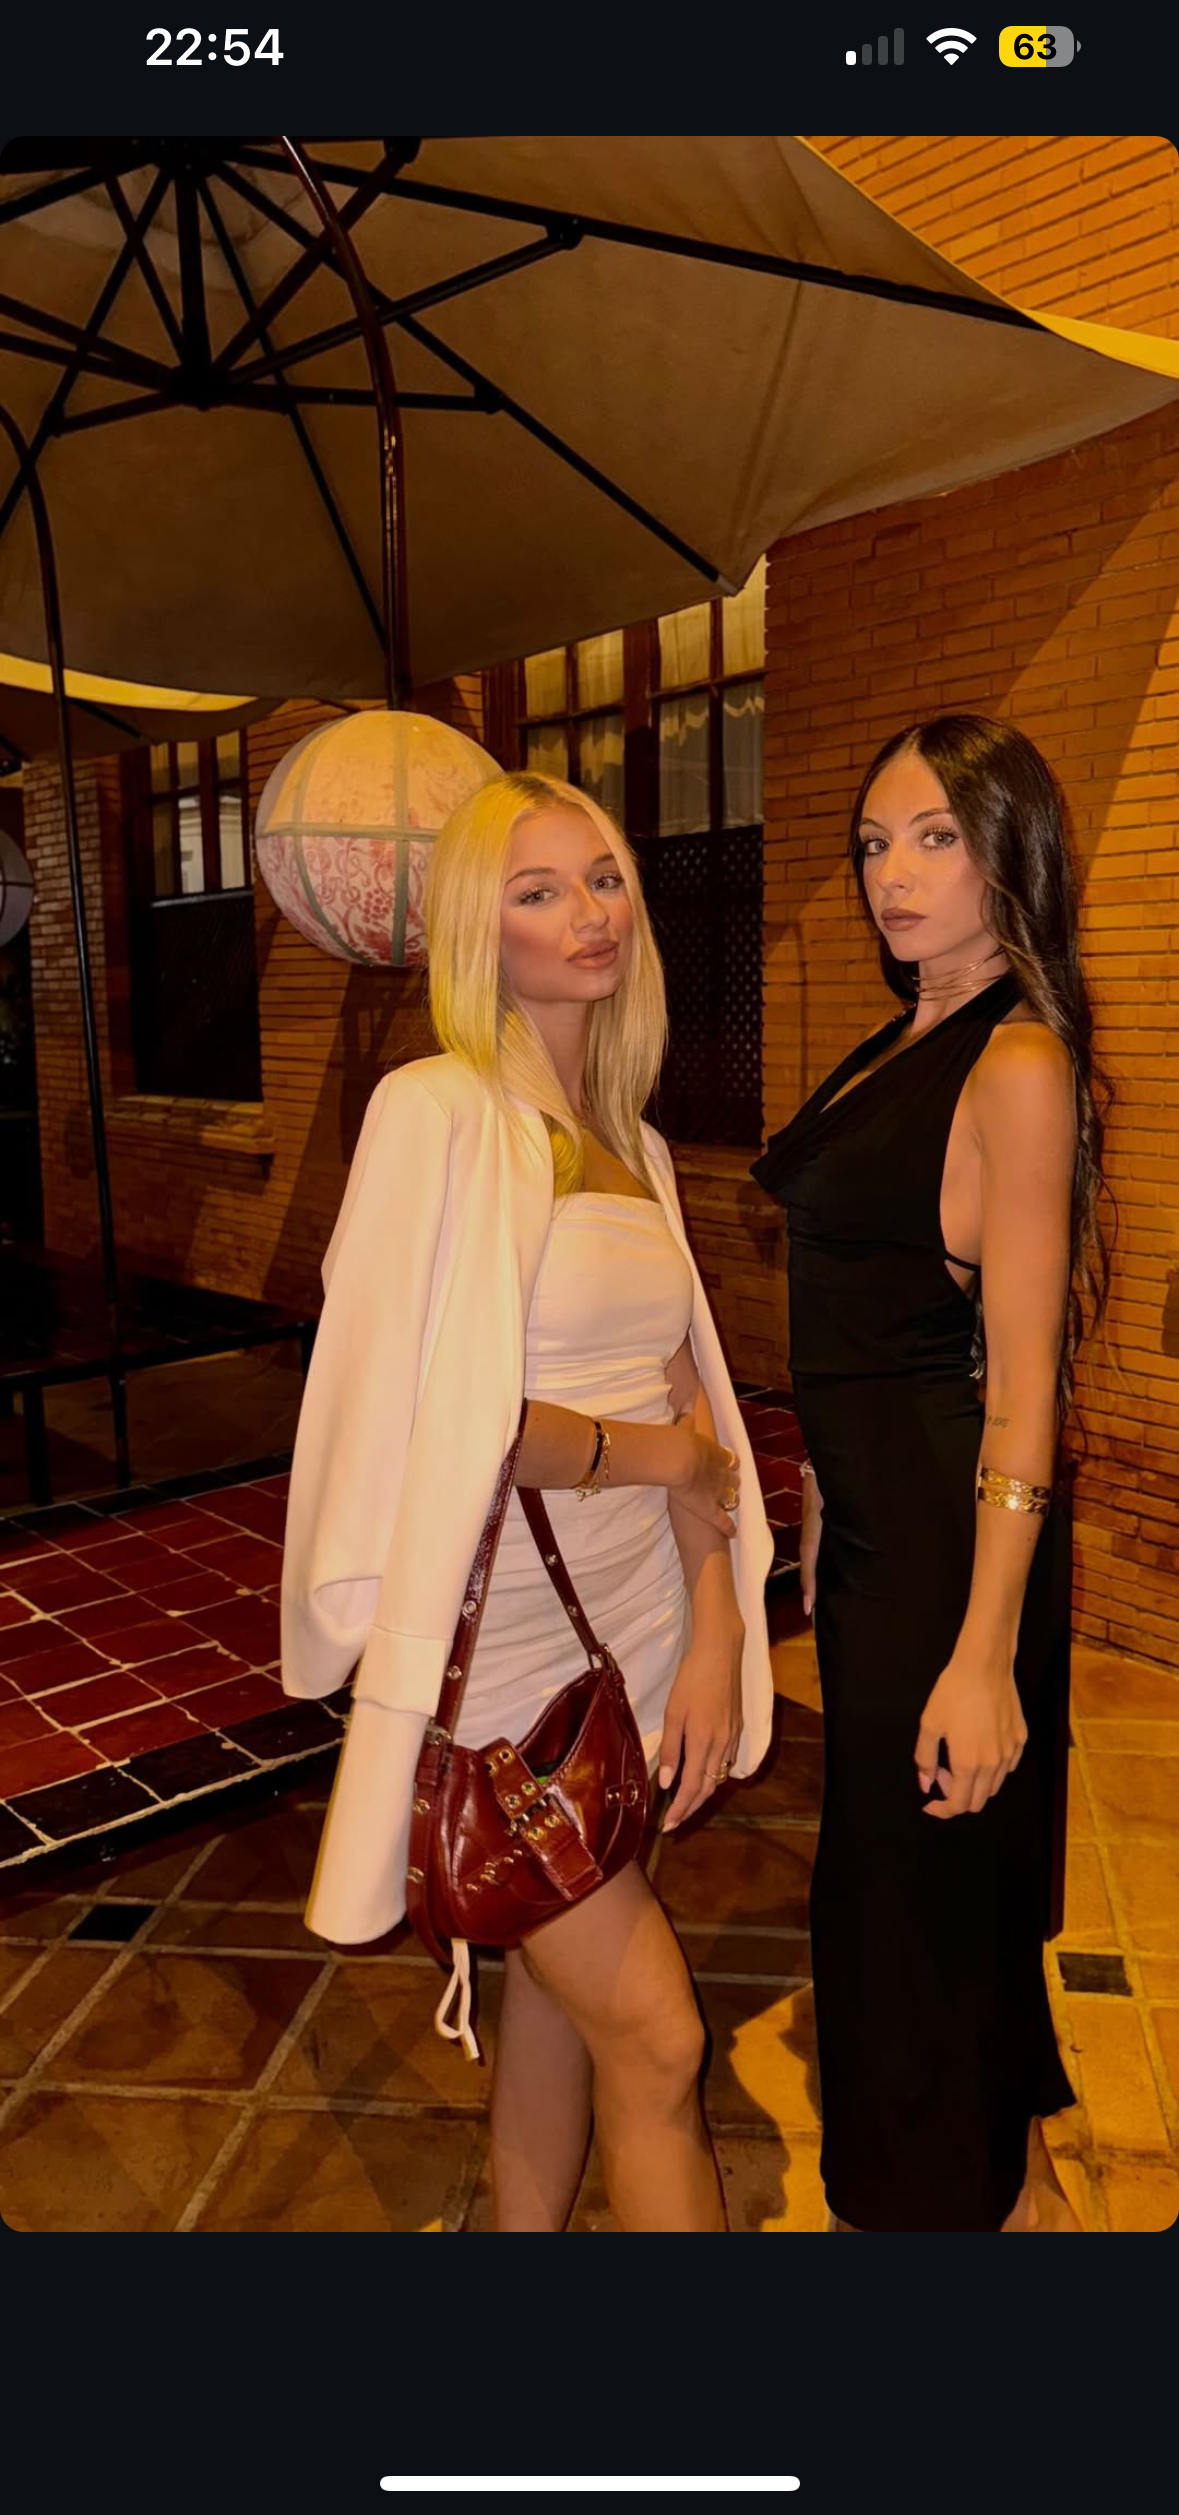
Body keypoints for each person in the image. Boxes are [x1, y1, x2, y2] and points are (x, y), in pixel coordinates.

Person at [281, 770, 774, 2233]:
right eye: (538, 890)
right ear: (473, 930)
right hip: (502, 1641)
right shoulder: (435, 1111)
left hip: (635, 1622)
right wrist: (669, 1463)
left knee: (560, 2003)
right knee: (661, 2038)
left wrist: (712, 1632)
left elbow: (693, 1392)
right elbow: (449, 1423)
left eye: (604, 877)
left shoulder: (636, 1141)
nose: (589, 912)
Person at [752, 713, 1109, 2234]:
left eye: (934, 839)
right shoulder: (904, 1033)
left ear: (1007, 849)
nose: (891, 876)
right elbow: (875, 1310)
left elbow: (1025, 1389)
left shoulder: (1014, 1057)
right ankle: (1003, 2189)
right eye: (873, 845)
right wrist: (821, 1496)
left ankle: (939, 2207)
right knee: (915, 1892)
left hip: (952, 1551)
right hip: (877, 1534)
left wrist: (982, 1655)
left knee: (907, 1906)